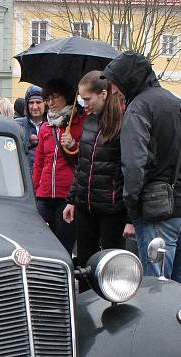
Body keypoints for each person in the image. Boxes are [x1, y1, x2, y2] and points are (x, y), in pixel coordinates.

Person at [101, 51, 181, 292]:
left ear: (129, 78)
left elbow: (133, 164)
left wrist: (132, 204)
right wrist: (178, 177)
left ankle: (160, 331)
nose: (114, 90)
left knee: (155, 289)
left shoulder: (138, 108)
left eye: (115, 82)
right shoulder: (179, 103)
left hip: (159, 212)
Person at [62, 71, 132, 268]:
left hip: (112, 210)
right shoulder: (90, 121)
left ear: (103, 94)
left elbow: (131, 172)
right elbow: (83, 165)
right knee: (85, 264)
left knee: (111, 265)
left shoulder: (123, 124)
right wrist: (72, 200)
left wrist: (130, 218)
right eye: (82, 99)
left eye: (87, 99)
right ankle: (86, 299)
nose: (84, 104)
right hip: (86, 206)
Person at [32, 78, 84, 254]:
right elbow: (39, 163)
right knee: (39, 244)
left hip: (66, 196)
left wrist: (73, 145)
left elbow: (85, 159)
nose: (50, 102)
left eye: (55, 97)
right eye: (48, 98)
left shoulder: (77, 125)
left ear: (67, 98)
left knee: (63, 245)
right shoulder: (46, 128)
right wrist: (34, 190)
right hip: (44, 195)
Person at [15, 86, 46, 176]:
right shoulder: (17, 125)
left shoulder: (52, 126)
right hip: (24, 177)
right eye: (31, 103)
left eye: (38, 102)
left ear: (45, 103)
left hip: (44, 179)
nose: (35, 106)